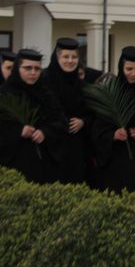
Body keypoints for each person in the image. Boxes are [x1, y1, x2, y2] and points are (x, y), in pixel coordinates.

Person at [0, 49, 67, 183]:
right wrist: (18, 131)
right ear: (17, 68)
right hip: (11, 165)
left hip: (42, 165)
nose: (33, 73)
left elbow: (61, 122)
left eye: (37, 69)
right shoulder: (4, 94)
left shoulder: (46, 94)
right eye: (28, 68)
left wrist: (45, 132)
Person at [92, 46, 135, 193]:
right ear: (121, 67)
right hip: (115, 158)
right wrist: (112, 135)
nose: (133, 74)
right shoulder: (110, 92)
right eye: (129, 69)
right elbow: (97, 127)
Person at [43, 38, 90, 184]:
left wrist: (83, 121)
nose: (70, 61)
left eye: (74, 57)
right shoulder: (44, 82)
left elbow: (91, 112)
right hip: (50, 146)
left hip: (75, 148)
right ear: (57, 58)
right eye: (65, 57)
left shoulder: (82, 86)